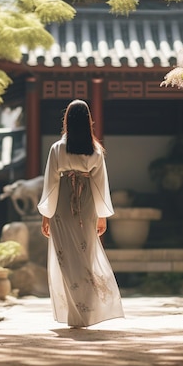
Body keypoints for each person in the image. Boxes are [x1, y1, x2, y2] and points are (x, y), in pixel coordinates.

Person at [37, 99, 124, 328]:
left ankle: (77, 313)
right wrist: (101, 214)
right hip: (86, 207)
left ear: (67, 121)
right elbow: (100, 185)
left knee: (66, 259)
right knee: (85, 258)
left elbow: (51, 184)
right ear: (88, 122)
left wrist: (46, 214)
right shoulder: (95, 151)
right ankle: (86, 311)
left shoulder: (57, 149)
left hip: (62, 207)